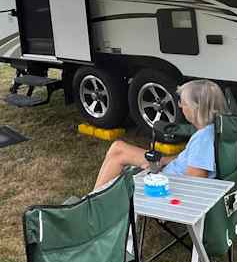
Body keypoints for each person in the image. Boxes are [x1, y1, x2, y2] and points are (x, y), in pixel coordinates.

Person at [92, 79, 227, 190]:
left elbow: (193, 183)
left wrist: (155, 176)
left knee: (118, 155)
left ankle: (92, 205)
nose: (180, 106)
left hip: (165, 184)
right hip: (167, 171)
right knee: (118, 147)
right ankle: (92, 200)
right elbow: (187, 160)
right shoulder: (208, 130)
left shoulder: (203, 140)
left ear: (195, 108)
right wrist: (163, 160)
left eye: (183, 102)